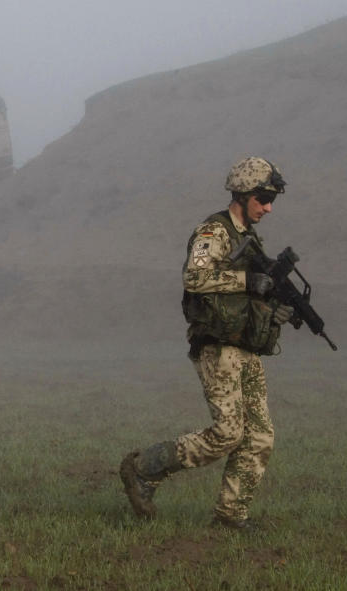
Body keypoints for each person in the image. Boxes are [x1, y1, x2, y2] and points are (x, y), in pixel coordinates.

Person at [119, 157, 295, 530]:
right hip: (218, 347)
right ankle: (144, 468)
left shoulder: (248, 238)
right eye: (263, 197)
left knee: (260, 435)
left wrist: (273, 310)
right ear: (243, 194)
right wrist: (248, 283)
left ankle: (231, 516)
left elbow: (249, 295)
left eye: (272, 199)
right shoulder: (213, 233)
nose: (268, 207)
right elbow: (195, 277)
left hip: (246, 348)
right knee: (228, 434)